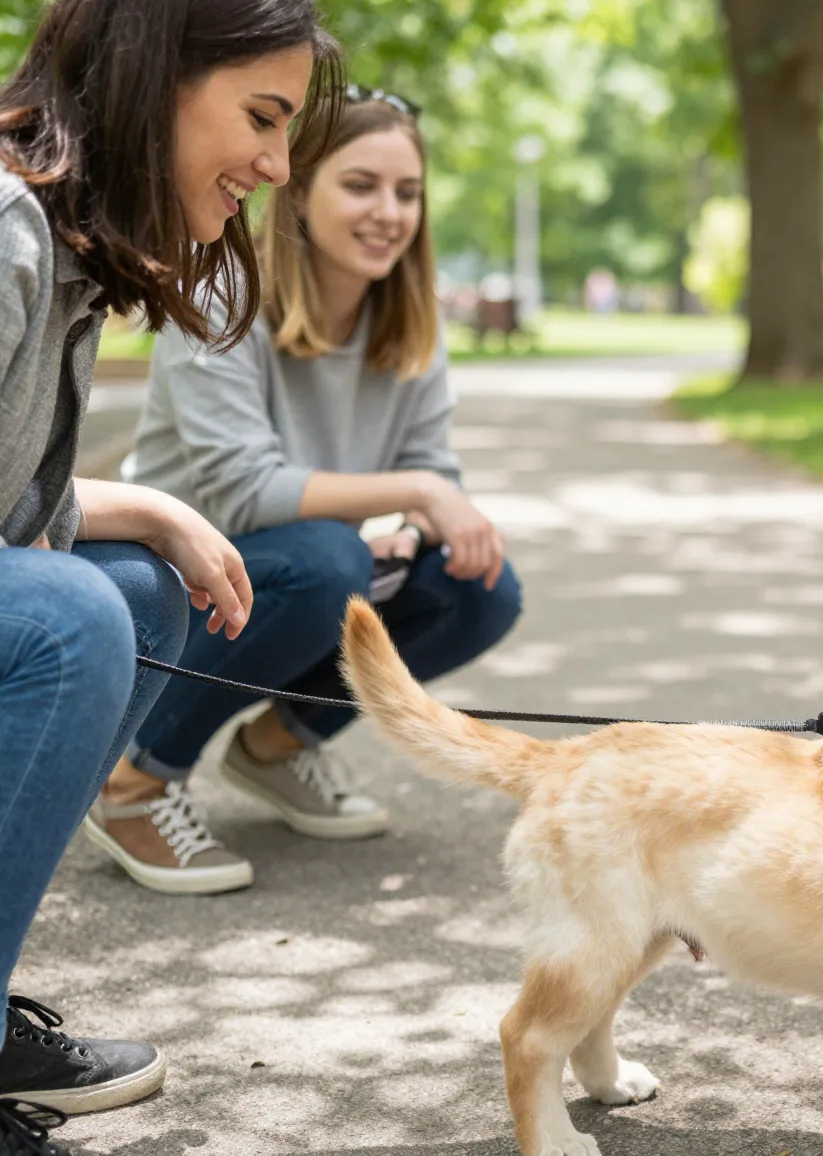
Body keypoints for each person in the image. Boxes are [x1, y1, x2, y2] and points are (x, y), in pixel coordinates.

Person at [0, 0, 340, 1156]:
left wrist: (150, 512)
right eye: (260, 117)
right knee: (79, 615)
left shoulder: (59, 243)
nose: (276, 167)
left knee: (136, 590)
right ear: (152, 81)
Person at [83, 88, 522, 895]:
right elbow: (244, 493)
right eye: (361, 185)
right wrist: (411, 495)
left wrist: (416, 527)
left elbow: (438, 482)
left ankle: (278, 748)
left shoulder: (412, 326)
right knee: (327, 561)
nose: (389, 212)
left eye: (407, 192)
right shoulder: (217, 300)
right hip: (171, 588)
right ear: (299, 190)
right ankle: (132, 783)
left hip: (288, 572)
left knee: (479, 584)